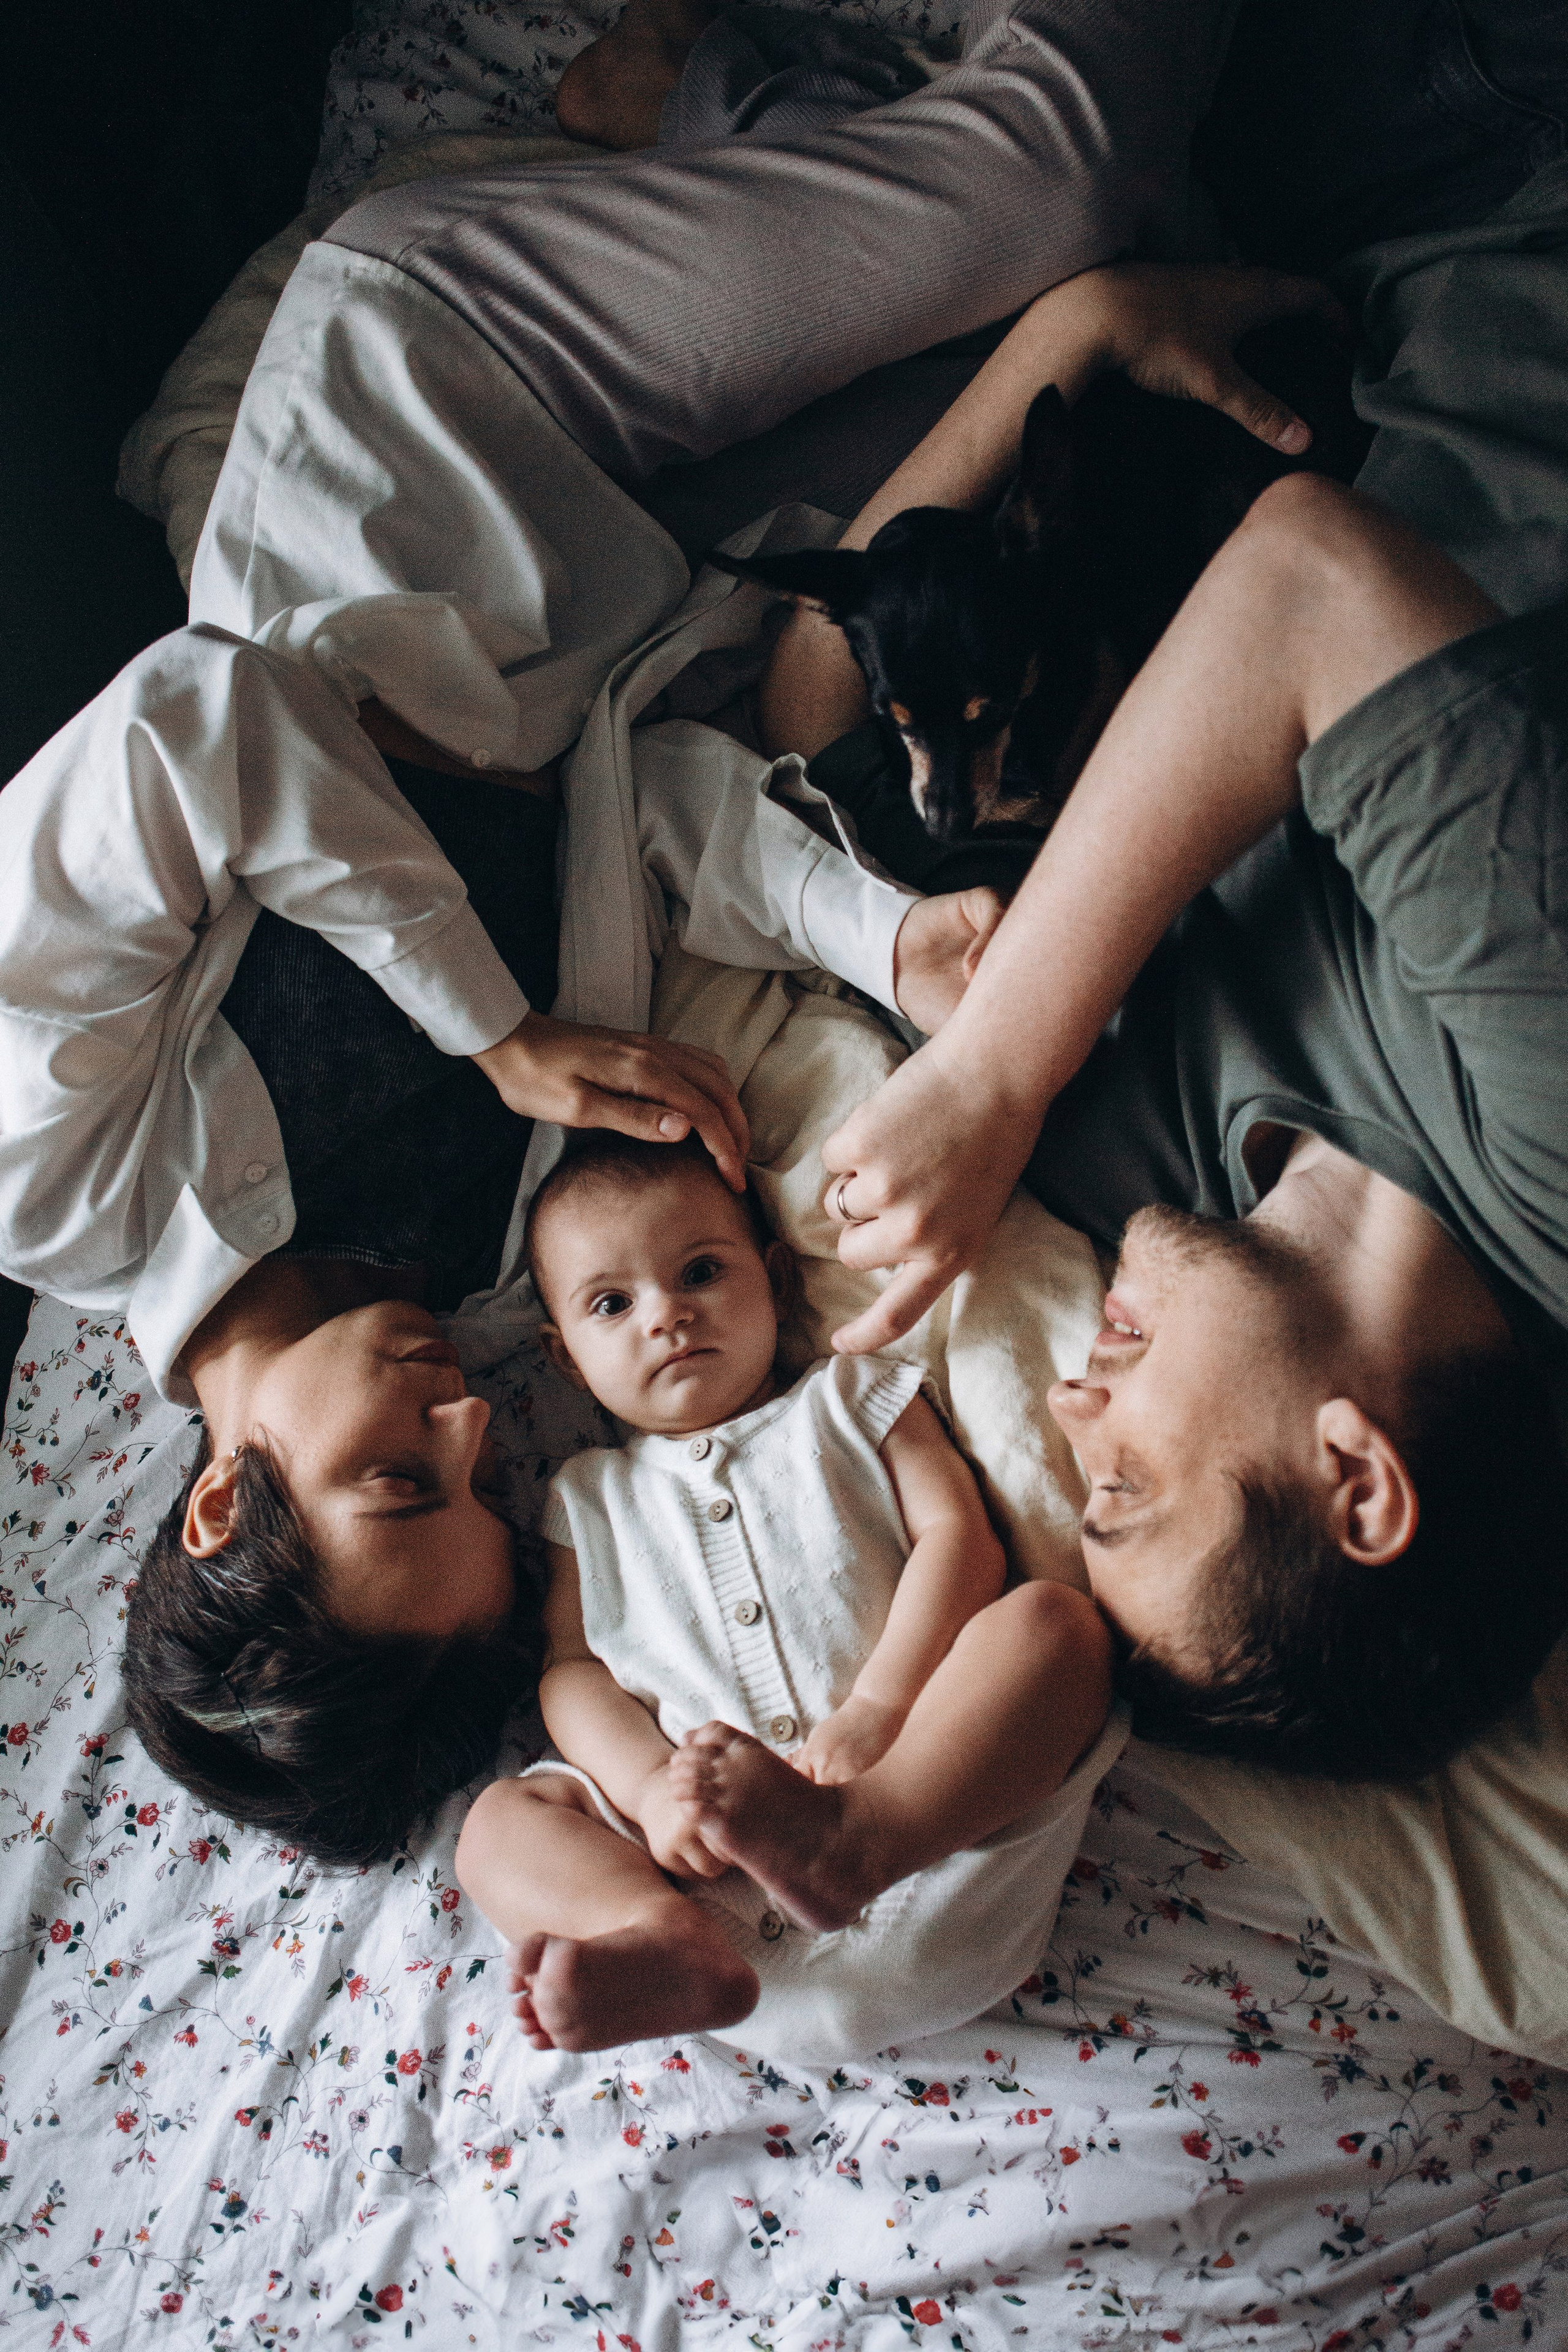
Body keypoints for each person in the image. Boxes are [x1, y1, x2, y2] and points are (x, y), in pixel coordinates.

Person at [793, 472, 1568, 1781]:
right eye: (1124, 1487)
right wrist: (993, 1064)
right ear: (1356, 1481)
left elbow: (813, 716)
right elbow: (1309, 575)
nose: (1066, 1404)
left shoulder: (1133, 1193)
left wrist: (1072, 333)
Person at [454, 1132, 1119, 2058]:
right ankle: (654, 1934)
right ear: (567, 1361)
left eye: (700, 1271)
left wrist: (883, 1705)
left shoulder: (852, 1396)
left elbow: (958, 1541)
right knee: (493, 1828)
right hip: (717, 1924)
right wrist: (648, 1793)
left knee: (1058, 1627)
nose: (667, 1316)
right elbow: (572, 1669)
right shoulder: (588, 1496)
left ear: (774, 1277)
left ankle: (855, 1839)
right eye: (613, 1303)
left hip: (932, 1846)